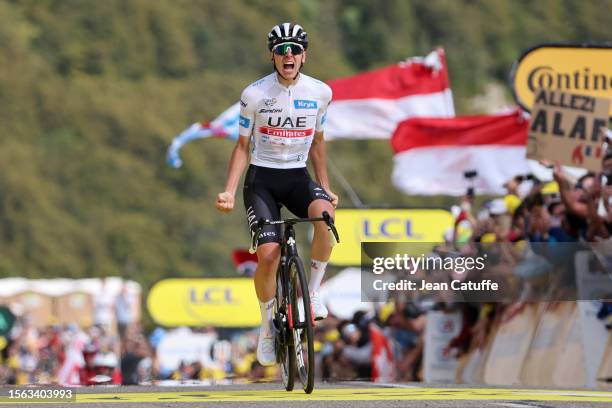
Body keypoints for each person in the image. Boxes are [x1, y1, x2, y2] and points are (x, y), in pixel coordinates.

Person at [215, 22, 337, 366]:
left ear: (304, 56)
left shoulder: (321, 93)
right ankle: (267, 324)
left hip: (297, 176)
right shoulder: (254, 94)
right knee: (268, 255)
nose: (289, 55)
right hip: (262, 180)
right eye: (282, 49)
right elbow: (241, 146)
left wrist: (325, 185)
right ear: (273, 55)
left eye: (295, 50)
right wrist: (227, 190)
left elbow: (318, 142)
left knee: (326, 216)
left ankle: (312, 294)